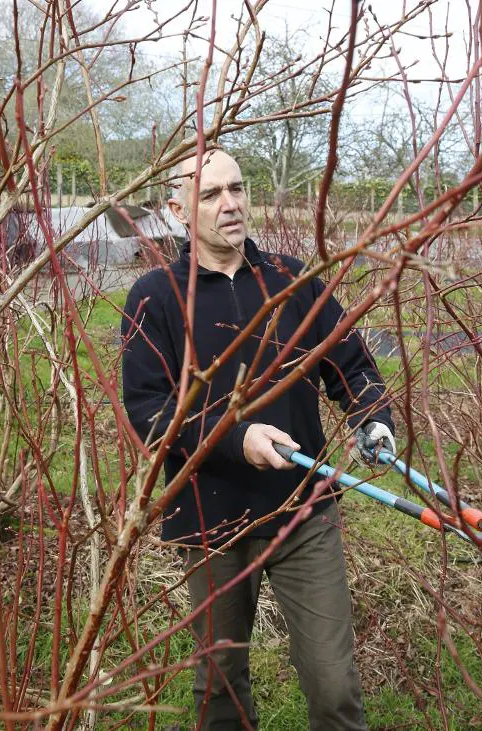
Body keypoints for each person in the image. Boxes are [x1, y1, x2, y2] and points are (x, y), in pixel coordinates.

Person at [121, 148, 395, 730]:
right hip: (210, 518)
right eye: (212, 194)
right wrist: (233, 439)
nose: (231, 205)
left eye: (238, 189)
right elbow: (147, 410)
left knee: (334, 686)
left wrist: (372, 417)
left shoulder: (291, 280)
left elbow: (350, 363)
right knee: (219, 690)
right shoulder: (155, 296)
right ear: (176, 210)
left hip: (302, 511)